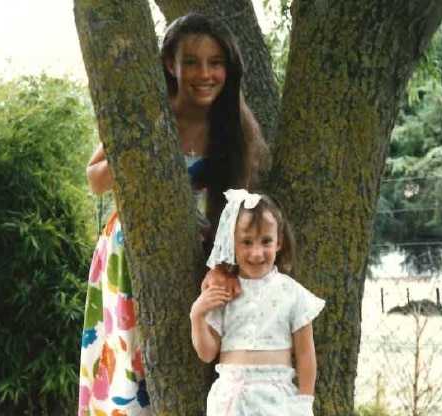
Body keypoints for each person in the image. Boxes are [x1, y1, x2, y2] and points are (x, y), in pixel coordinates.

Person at [78, 12, 270, 416]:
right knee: (130, 360)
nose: (204, 73)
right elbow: (95, 179)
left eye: (215, 62)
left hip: (203, 256)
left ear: (228, 67)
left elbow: (242, 206)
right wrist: (139, 152)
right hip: (131, 255)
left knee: (185, 358)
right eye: (191, 62)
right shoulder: (151, 115)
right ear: (170, 64)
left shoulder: (234, 124)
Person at [190, 189, 326, 415]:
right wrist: (197, 316)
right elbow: (206, 353)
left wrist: (304, 400)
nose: (256, 253)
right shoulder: (224, 292)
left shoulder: (293, 294)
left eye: (266, 241)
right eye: (246, 242)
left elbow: (305, 353)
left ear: (279, 243)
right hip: (231, 399)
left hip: (276, 400)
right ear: (232, 243)